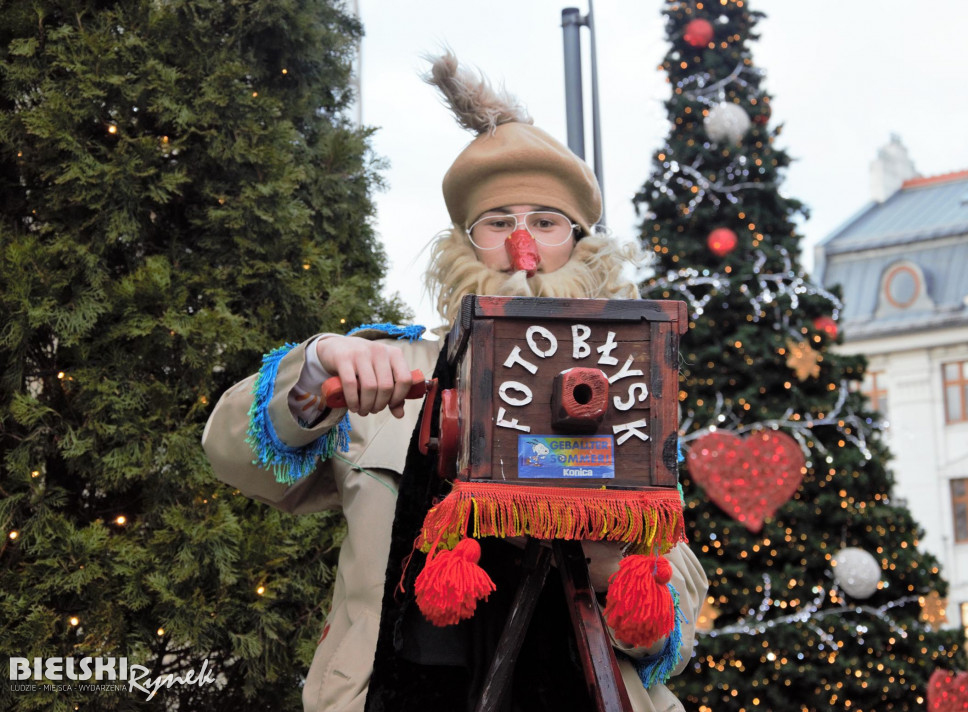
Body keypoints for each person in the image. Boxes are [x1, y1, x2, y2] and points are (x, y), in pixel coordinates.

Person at [203, 52, 708, 712]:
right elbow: (232, 457)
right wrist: (318, 368)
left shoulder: (626, 392)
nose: (521, 248)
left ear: (579, 244)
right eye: (497, 224)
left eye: (546, 223)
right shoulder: (393, 368)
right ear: (466, 246)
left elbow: (671, 634)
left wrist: (619, 565)